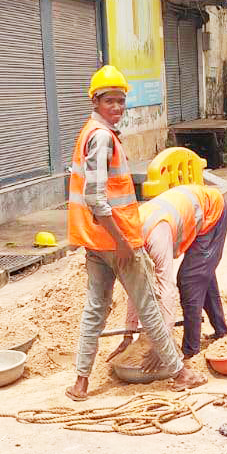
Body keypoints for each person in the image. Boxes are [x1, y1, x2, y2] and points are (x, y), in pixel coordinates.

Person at [66, 66, 204, 401]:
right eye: (110, 100)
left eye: (120, 100)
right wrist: (123, 242)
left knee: (94, 309)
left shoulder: (90, 132)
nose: (117, 106)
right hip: (116, 241)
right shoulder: (101, 137)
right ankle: (180, 372)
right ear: (96, 101)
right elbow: (96, 198)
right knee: (149, 308)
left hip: (95, 242)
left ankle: (81, 384)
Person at [111, 183, 227, 364]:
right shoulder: (130, 239)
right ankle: (221, 332)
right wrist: (129, 333)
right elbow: (137, 287)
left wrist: (163, 344)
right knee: (200, 274)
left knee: (189, 280)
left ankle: (190, 351)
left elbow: (167, 289)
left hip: (212, 212)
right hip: (192, 209)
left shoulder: (156, 237)